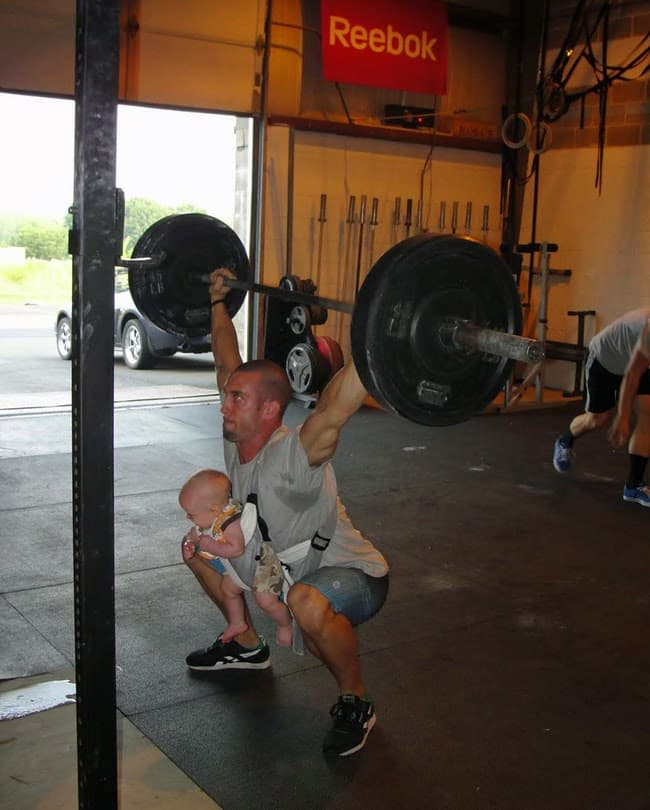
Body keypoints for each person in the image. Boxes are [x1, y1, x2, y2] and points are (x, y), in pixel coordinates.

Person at [182, 268, 389, 757]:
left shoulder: (297, 452)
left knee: (306, 605)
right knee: (196, 550)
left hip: (351, 574)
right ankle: (247, 645)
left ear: (271, 410)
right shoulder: (239, 436)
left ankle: (355, 701)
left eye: (236, 400)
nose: (223, 406)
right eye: (228, 396)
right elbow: (225, 361)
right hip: (282, 565)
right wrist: (218, 302)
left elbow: (337, 405)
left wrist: (381, 332)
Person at [179, 468, 293, 647]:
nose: (187, 517)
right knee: (228, 590)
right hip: (240, 568)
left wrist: (211, 546)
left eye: (191, 514)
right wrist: (190, 543)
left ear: (214, 510)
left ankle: (285, 624)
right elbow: (195, 533)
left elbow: (236, 549)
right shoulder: (209, 519)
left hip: (261, 566)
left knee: (266, 602)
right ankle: (238, 622)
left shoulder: (231, 522)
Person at [552, 308, 650, 507]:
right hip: (605, 360)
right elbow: (631, 376)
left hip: (638, 361)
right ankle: (565, 440)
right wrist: (622, 418)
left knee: (648, 415)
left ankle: (633, 487)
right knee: (597, 419)